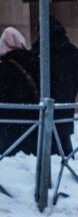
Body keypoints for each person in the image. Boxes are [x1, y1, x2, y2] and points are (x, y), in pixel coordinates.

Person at [32, 15, 78, 156]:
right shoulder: (72, 51)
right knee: (63, 144)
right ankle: (69, 168)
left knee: (48, 147)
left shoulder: (40, 51)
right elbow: (75, 82)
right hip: (65, 105)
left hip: (46, 105)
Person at [0, 27, 39, 156]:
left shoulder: (4, 67)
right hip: (31, 115)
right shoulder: (33, 60)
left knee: (12, 156)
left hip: (9, 118)